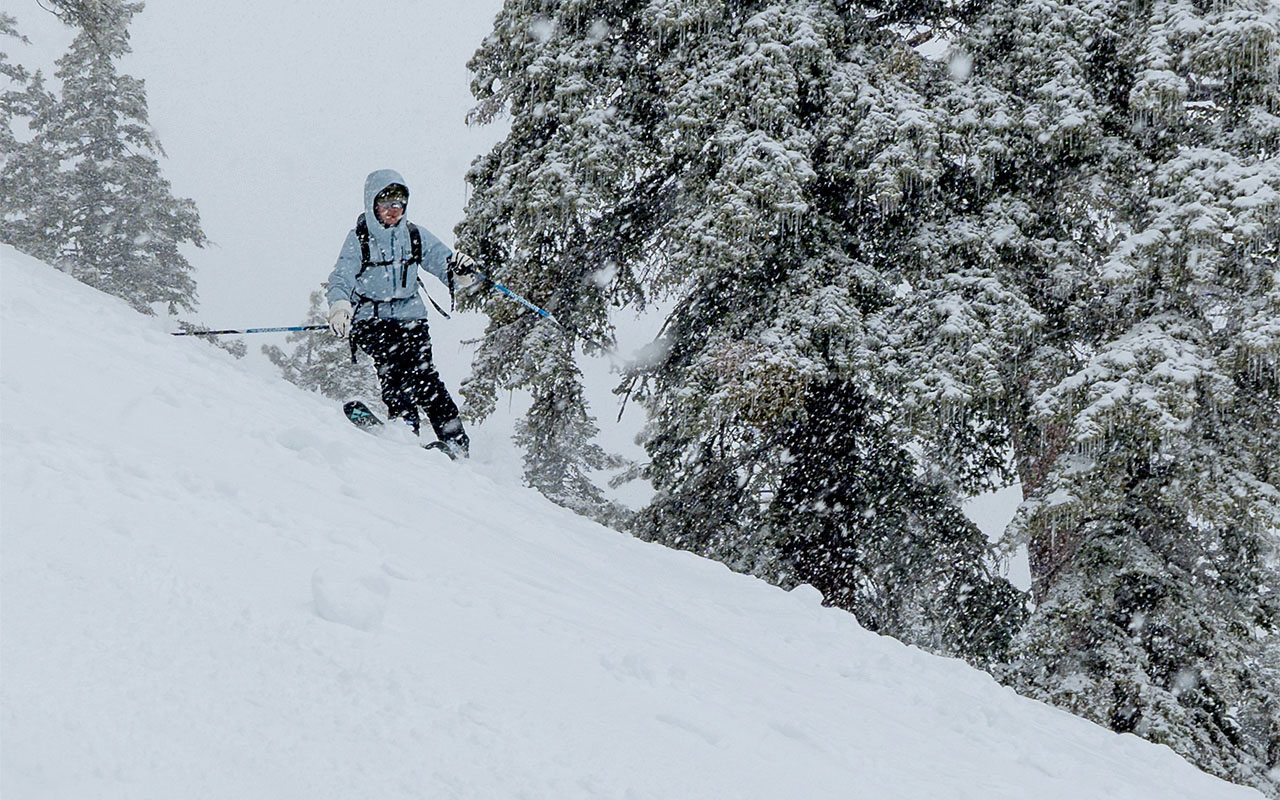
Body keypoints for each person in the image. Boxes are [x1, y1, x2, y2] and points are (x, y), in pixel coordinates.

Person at [326, 169, 477, 458]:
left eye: (399, 205)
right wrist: (339, 306)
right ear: (373, 205)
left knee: (425, 376)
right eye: (386, 205)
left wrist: (460, 271)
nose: (393, 211)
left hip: (410, 316)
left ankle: (455, 440)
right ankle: (406, 428)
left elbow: (443, 262)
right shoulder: (359, 239)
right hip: (371, 318)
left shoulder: (414, 235)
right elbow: (341, 278)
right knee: (394, 369)